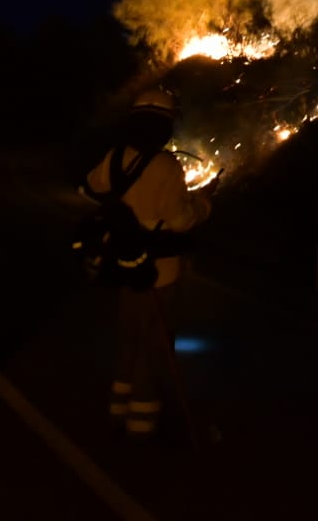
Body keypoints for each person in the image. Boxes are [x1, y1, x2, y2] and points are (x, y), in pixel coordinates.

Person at [83, 87, 210, 438]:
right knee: (153, 345)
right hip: (159, 272)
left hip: (124, 264)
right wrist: (203, 205)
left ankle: (117, 409)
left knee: (127, 336)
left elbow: (90, 188)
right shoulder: (166, 166)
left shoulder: (115, 156)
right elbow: (181, 221)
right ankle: (141, 422)